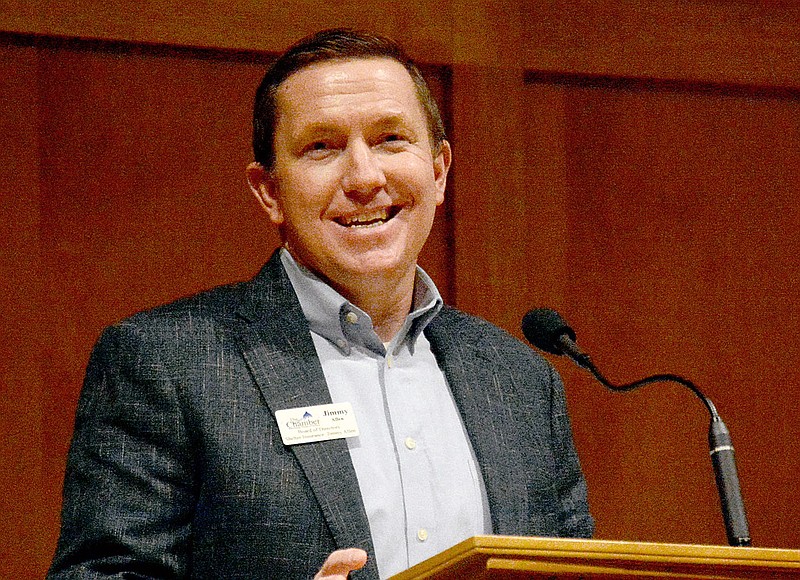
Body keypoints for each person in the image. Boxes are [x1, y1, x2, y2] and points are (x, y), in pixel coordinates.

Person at [48, 29, 593, 579]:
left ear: (438, 171)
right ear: (270, 192)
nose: (364, 177)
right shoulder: (169, 363)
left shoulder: (519, 381)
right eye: (322, 148)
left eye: (390, 140)